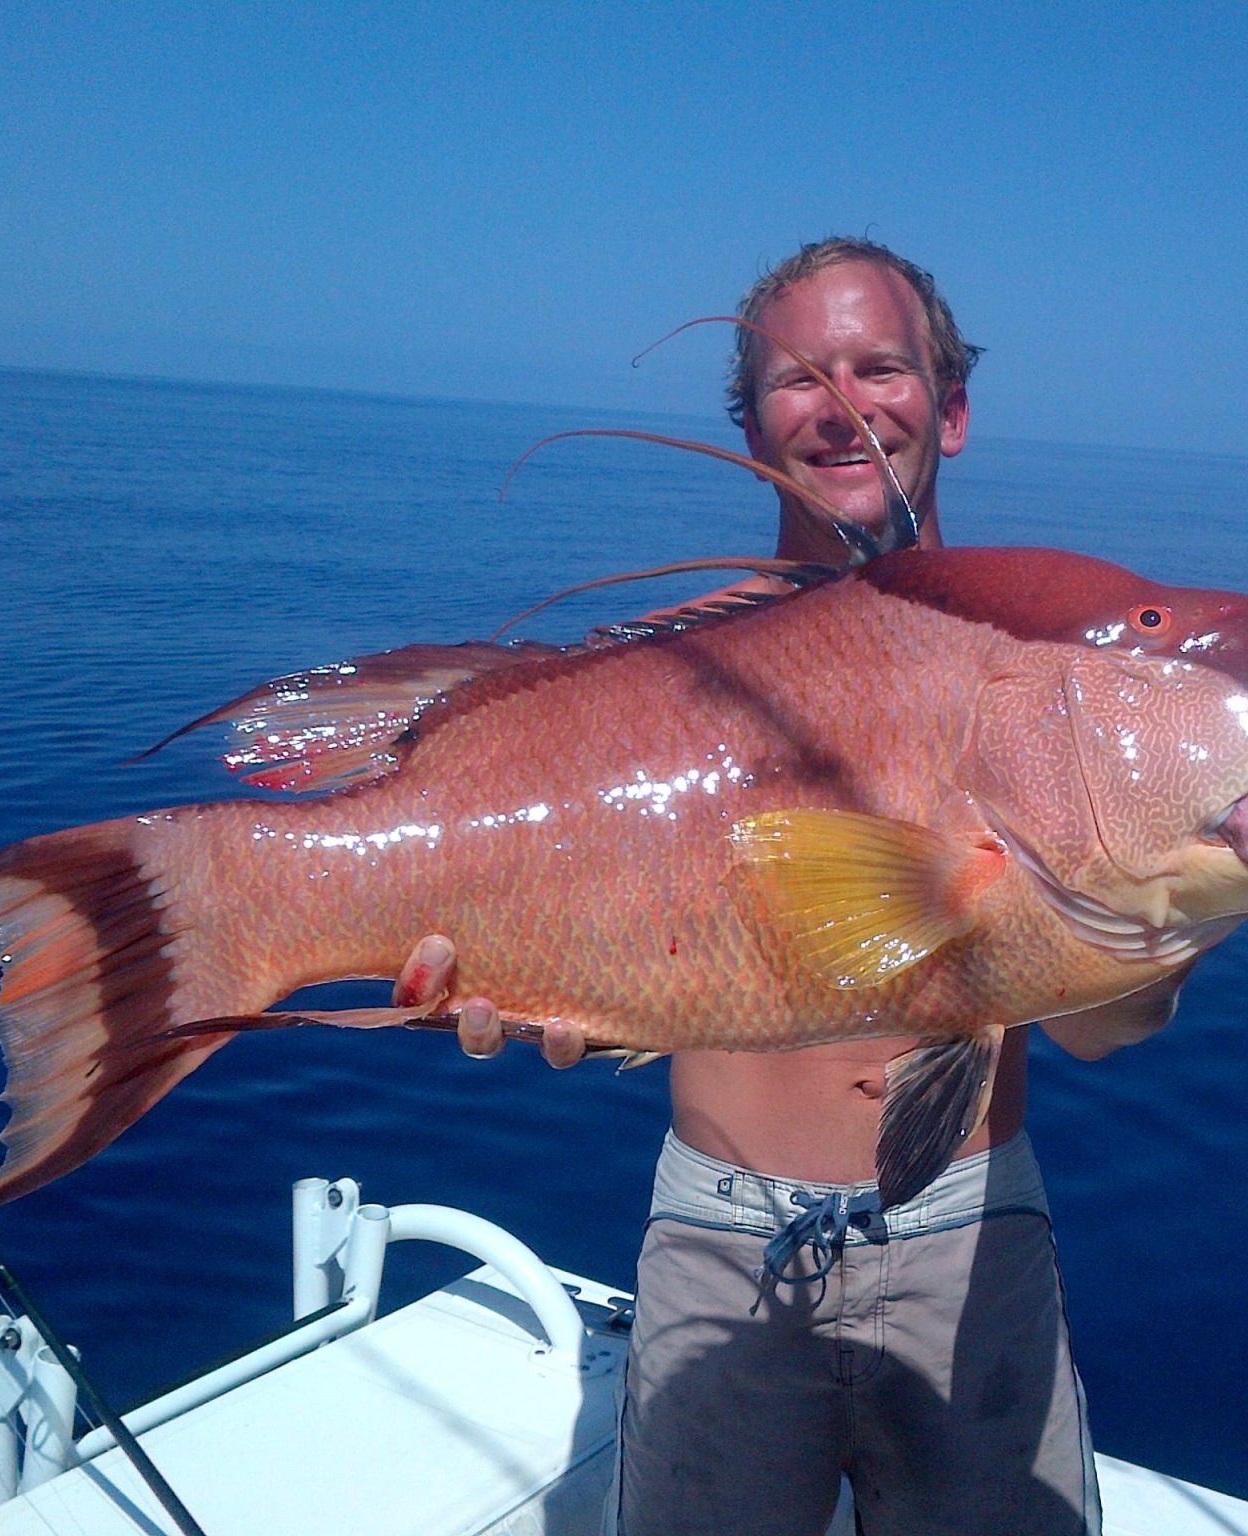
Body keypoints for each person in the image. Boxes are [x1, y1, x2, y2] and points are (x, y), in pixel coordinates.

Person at [393, 239, 1156, 1535]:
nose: (847, 405)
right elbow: (551, 874)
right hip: (718, 1242)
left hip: (975, 1232)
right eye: (800, 380)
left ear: (952, 408)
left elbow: (1101, 1027)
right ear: (752, 430)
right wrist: (513, 970)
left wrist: (1170, 893)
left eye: (882, 367)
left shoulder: (1048, 672)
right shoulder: (662, 678)